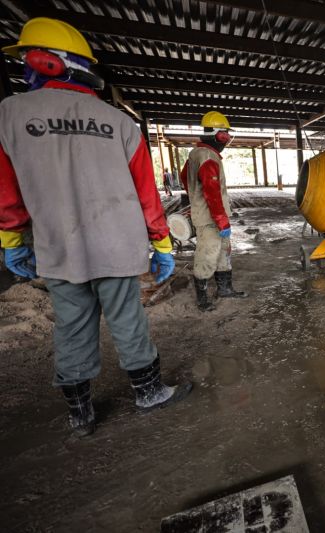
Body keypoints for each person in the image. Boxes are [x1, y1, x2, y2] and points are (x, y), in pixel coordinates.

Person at [0, 18, 192, 437]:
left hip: (58, 246)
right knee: (128, 319)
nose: (26, 69)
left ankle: (80, 414)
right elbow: (146, 194)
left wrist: (12, 240)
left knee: (71, 325)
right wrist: (161, 243)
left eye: (28, 61)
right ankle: (149, 393)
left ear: (43, 63)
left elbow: (6, 192)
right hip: (118, 243)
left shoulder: (9, 115)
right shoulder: (119, 122)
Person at [179, 111, 247, 312]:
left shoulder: (196, 154)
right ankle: (202, 299)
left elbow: (184, 177)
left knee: (223, 254)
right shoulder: (207, 157)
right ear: (215, 134)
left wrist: (194, 196)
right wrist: (221, 219)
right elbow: (212, 192)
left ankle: (225, 289)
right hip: (211, 220)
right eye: (224, 135)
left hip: (215, 217)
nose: (226, 139)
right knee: (207, 256)